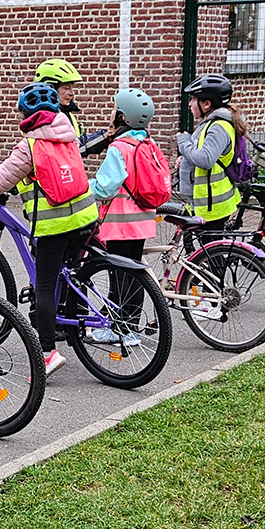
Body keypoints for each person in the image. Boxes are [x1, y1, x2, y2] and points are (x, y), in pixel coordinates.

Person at [0, 83, 98, 377]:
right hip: (86, 218)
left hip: (56, 226)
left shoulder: (30, 146)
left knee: (43, 287)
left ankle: (47, 354)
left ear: (26, 114)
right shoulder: (67, 135)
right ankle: (73, 323)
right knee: (68, 274)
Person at [87, 89, 161, 345]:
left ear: (121, 116)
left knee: (119, 278)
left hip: (120, 224)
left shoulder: (120, 147)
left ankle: (120, 330)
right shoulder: (148, 143)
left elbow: (106, 187)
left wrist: (85, 186)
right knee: (134, 274)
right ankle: (130, 327)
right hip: (142, 221)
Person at [175, 74, 245, 229]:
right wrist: (186, 158)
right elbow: (201, 151)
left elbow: (205, 159)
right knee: (208, 250)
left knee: (211, 252)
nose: (190, 104)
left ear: (206, 104)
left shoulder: (218, 127)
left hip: (212, 204)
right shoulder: (210, 123)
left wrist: (183, 142)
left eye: (193, 99)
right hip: (206, 201)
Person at [34, 58, 85, 138]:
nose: (72, 93)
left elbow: (79, 145)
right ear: (51, 90)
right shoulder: (44, 119)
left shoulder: (68, 113)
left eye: (72, 88)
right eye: (66, 88)